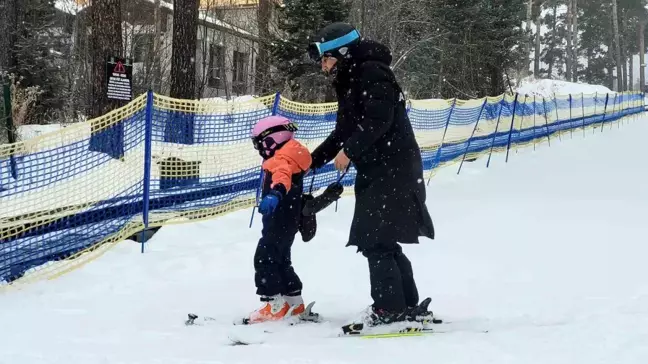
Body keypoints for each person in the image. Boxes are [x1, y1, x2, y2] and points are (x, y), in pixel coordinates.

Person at [307, 23, 437, 326]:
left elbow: (380, 119)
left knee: (376, 240)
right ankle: (405, 306)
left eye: (326, 59)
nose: (324, 67)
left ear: (342, 53)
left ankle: (389, 311)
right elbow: (343, 130)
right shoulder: (352, 78)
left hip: (393, 168)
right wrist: (311, 162)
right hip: (382, 168)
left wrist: (350, 150)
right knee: (382, 240)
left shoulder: (372, 73)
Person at [243, 115, 317, 325]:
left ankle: (273, 305)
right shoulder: (294, 154)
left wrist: (275, 194)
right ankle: (294, 301)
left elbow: (281, 176)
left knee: (265, 258)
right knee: (282, 259)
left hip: (278, 218)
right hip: (289, 220)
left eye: (260, 144)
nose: (260, 149)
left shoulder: (281, 159)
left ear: (271, 139)